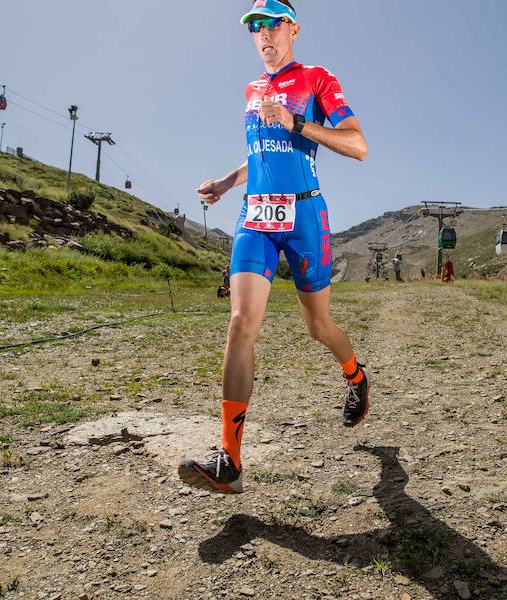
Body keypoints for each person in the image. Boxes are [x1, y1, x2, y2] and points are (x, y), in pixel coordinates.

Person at [179, 0, 370, 494]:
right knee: (241, 323)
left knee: (318, 327)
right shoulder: (251, 89)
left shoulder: (317, 78)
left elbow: (358, 145)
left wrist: (297, 123)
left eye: (273, 25)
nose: (264, 34)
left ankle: (355, 376)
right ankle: (230, 461)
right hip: (256, 215)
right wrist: (226, 181)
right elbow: (259, 153)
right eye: (255, 28)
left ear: (294, 29)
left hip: (305, 214)